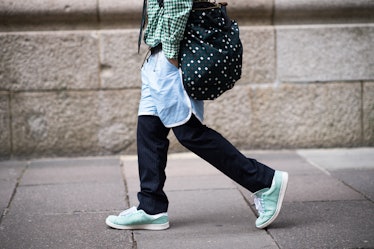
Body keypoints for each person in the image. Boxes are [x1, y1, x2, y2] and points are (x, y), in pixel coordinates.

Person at [105, 0, 288, 230]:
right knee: (149, 128)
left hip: (169, 56)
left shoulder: (170, 53)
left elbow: (178, 3)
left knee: (189, 132)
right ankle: (151, 207)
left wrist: (170, 54)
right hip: (158, 53)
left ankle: (265, 181)